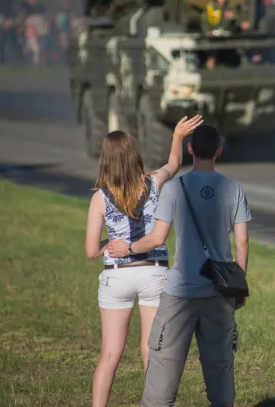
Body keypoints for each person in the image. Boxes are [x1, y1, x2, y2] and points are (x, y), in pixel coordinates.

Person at [107, 124, 251, 407]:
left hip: (180, 294)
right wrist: (238, 286)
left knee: (162, 376)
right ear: (219, 152)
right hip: (219, 293)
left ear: (190, 149)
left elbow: (158, 237)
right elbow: (242, 244)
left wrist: (129, 248)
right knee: (221, 373)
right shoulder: (234, 189)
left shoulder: (174, 189)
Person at [84, 115, 204, 407]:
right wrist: (177, 136)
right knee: (151, 349)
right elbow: (173, 164)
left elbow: (90, 251)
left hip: (117, 274)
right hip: (153, 273)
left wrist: (110, 246)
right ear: (134, 155)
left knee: (110, 354)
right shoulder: (153, 183)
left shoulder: (100, 198)